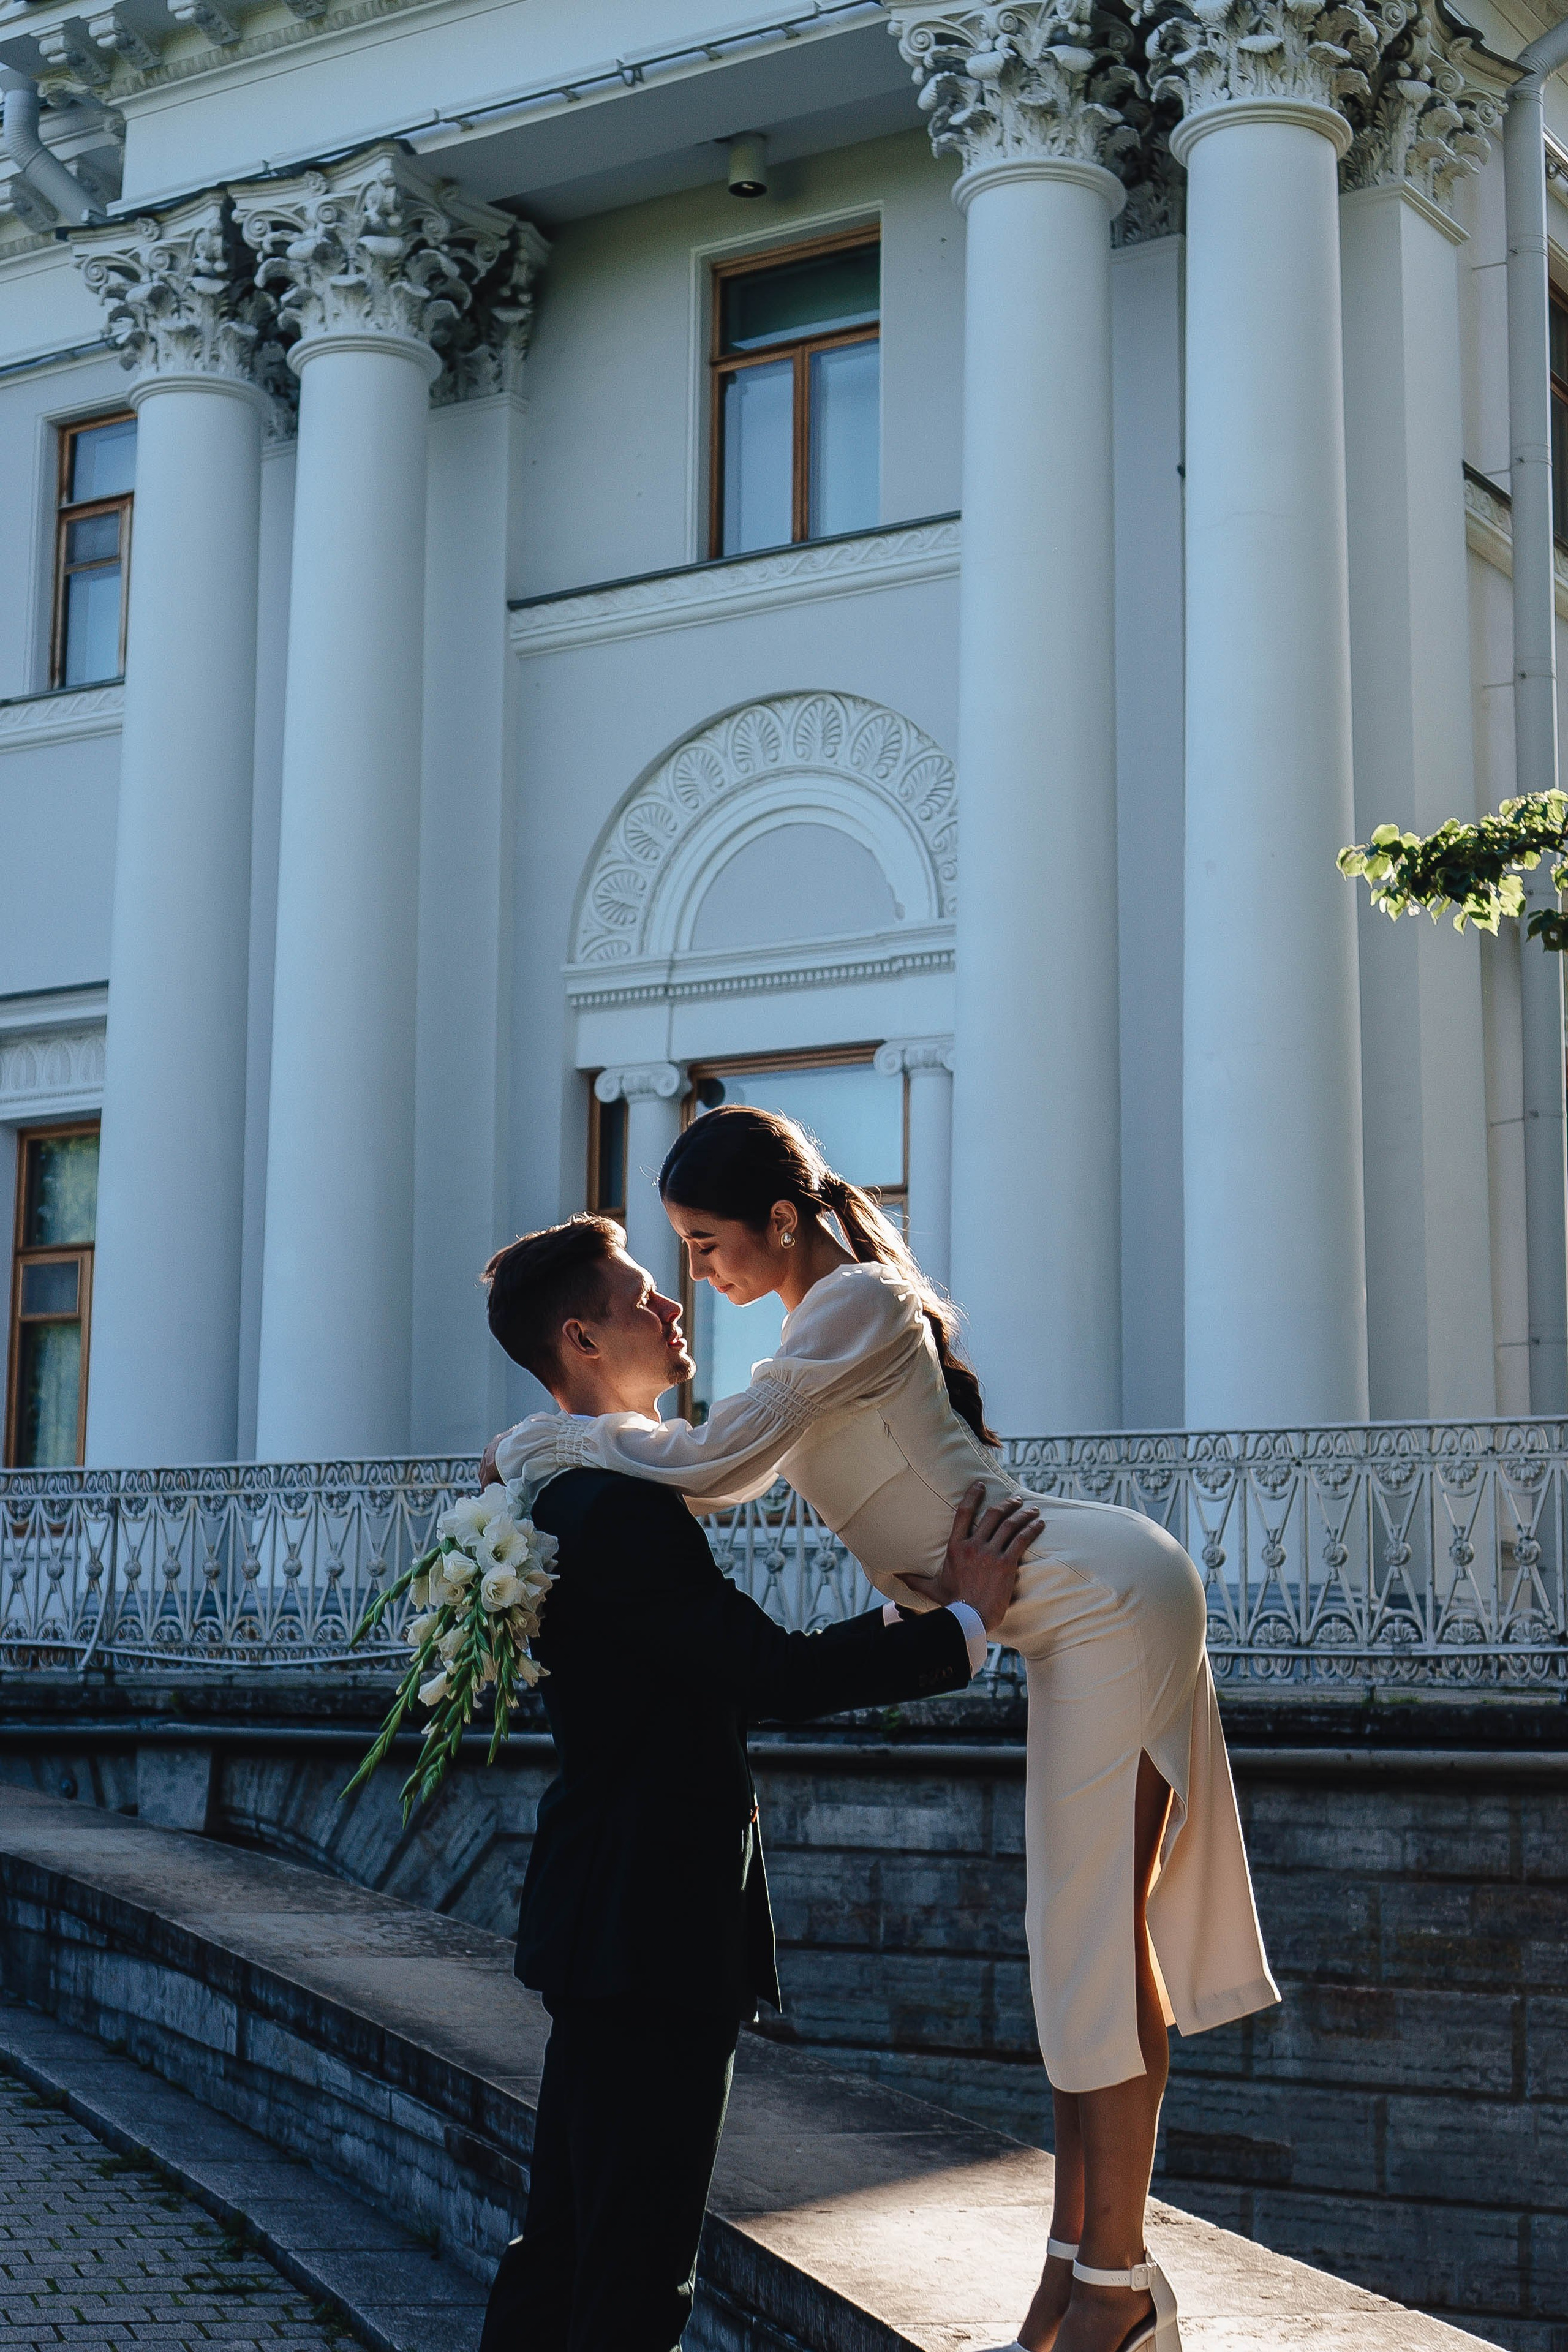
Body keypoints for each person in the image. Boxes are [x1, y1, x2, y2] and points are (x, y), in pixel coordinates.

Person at [484, 1109, 1282, 2352]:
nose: (699, 1274)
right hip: (1058, 1614)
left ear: (781, 1223)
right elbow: (722, 1467)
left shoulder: (851, 1299)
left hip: (1098, 1600)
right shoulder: (813, 1333)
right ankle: (1073, 2280)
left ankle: (1114, 2288)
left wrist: (540, 1442)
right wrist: (561, 1454)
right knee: (1063, 1943)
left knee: (1085, 1947)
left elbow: (703, 1463)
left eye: (704, 1242)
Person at [475, 1212, 1041, 2352]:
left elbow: (702, 1676)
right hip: (652, 1931)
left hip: (607, 1918)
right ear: (582, 1340)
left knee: (571, 2239)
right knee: (633, 2267)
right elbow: (763, 1671)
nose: (673, 1305)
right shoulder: (619, 1508)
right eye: (643, 1297)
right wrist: (966, 1623)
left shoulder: (557, 1491)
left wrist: (922, 1616)